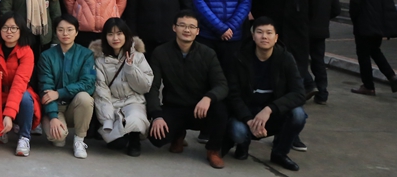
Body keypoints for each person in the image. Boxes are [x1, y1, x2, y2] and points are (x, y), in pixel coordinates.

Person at [146, 10, 230, 169]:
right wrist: (156, 115)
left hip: (200, 108)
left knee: (221, 110)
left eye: (192, 27)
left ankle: (213, 150)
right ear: (174, 28)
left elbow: (222, 84)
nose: (187, 30)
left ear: (198, 31)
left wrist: (208, 98)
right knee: (156, 138)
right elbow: (152, 86)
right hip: (174, 106)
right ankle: (178, 135)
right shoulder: (161, 52)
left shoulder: (207, 53)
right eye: (182, 25)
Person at [225, 17, 307, 172]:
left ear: (276, 37)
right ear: (253, 36)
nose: (264, 37)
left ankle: (279, 153)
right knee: (238, 132)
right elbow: (233, 94)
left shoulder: (285, 58)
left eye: (269, 33)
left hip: (272, 114)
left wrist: (270, 109)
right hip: (247, 113)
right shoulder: (240, 58)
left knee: (298, 114)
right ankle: (243, 145)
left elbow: (299, 93)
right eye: (260, 32)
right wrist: (248, 120)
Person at [250, 0, 315, 105]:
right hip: (272, 31)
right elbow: (256, 3)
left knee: (297, 67)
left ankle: (293, 101)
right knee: (272, 66)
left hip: (298, 31)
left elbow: (314, 6)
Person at [91, 17, 153, 156]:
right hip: (112, 103)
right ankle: (123, 135)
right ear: (105, 37)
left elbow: (145, 86)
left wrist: (130, 69)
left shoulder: (138, 57)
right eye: (110, 34)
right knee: (116, 144)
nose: (115, 38)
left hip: (133, 101)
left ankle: (135, 139)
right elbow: (101, 92)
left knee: (135, 118)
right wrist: (107, 118)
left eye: (119, 33)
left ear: (126, 35)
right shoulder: (99, 61)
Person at [37, 14, 96, 159]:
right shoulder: (46, 56)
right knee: (58, 139)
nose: (65, 34)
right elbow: (46, 88)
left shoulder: (86, 54)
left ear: (76, 32)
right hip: (55, 107)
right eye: (61, 30)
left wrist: (60, 92)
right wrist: (53, 117)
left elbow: (88, 83)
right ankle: (57, 126)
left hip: (74, 106)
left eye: (70, 30)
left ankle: (79, 140)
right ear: (56, 32)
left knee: (85, 98)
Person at [0, 14, 41, 157]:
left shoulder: (27, 52)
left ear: (21, 30)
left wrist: (8, 114)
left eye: (14, 28)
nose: (9, 32)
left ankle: (24, 137)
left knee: (25, 97)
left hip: (19, 93)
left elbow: (19, 84)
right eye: (5, 28)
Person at [297, 0, 340, 105]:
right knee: (318, 61)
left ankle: (308, 85)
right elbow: (336, 9)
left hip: (301, 28)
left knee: (298, 59)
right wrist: (323, 18)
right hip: (320, 29)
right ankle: (322, 93)